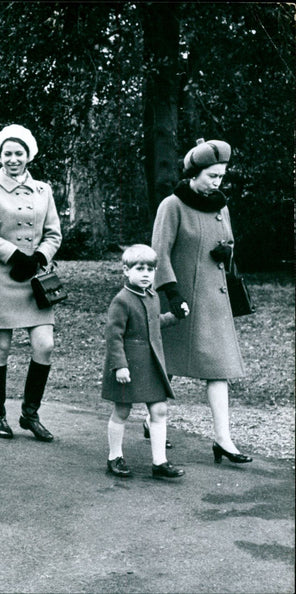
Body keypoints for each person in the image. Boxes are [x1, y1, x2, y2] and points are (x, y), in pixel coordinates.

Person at [151, 138, 252, 465]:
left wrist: (227, 250)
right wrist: (171, 292)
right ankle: (150, 420)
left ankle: (223, 439)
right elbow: (159, 253)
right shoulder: (172, 205)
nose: (217, 182)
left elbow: (229, 240)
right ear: (195, 173)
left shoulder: (220, 204)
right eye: (212, 176)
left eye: (221, 176)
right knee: (165, 364)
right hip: (178, 299)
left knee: (218, 369)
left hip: (214, 300)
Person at [0, 124, 62, 441]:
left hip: (35, 279)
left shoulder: (43, 190)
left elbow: (54, 233)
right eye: (7, 153)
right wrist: (15, 256)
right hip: (0, 274)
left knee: (45, 345)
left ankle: (30, 414)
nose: (12, 159)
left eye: (18, 152)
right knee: (2, 346)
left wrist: (39, 256)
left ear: (29, 155)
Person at [102, 244, 186, 480]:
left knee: (159, 409)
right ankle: (114, 457)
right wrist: (120, 365)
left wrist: (174, 317)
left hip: (151, 363)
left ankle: (160, 462)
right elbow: (113, 335)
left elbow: (154, 321)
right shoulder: (122, 300)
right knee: (122, 410)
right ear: (126, 271)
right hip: (127, 365)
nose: (146, 274)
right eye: (140, 268)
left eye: (150, 269)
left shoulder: (152, 296)